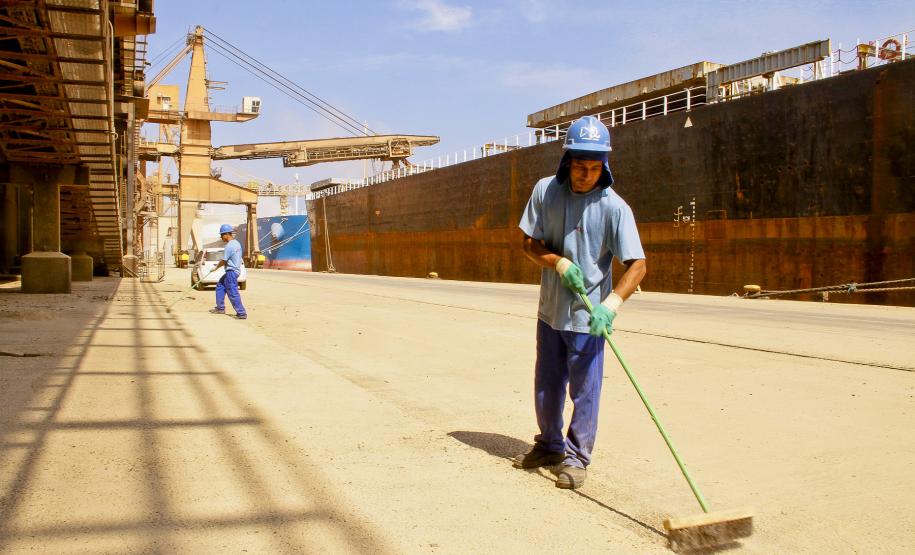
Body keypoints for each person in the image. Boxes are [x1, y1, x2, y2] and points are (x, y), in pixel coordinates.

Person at [515, 115, 646, 489]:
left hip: (589, 318)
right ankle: (549, 445)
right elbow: (529, 244)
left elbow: (638, 264)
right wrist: (556, 261)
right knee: (546, 386)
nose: (586, 174)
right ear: (566, 161)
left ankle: (576, 458)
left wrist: (613, 304)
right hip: (550, 311)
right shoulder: (545, 191)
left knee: (585, 391)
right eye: (579, 166)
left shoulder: (614, 207)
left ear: (604, 166)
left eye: (594, 167)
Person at [209, 224, 248, 320]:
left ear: (226, 234)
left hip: (231, 271)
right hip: (234, 270)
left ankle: (241, 313)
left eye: (222, 235)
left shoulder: (229, 246)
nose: (221, 237)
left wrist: (215, 268)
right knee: (220, 285)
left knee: (232, 292)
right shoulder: (237, 243)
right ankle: (220, 308)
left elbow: (224, 260)